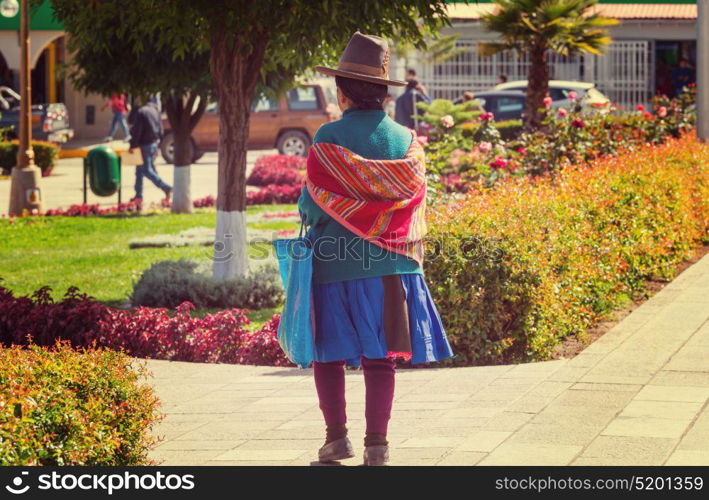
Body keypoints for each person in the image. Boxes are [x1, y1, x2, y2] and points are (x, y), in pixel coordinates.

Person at [302, 32, 454, 466]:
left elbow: (310, 208)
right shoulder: (407, 142)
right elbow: (415, 199)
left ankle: (336, 440)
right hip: (391, 268)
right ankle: (377, 446)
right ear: (385, 94)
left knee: (327, 354)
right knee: (381, 358)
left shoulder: (327, 140)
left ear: (343, 90)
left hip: (333, 265)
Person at [128, 98, 171, 203]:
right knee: (139, 171)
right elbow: (161, 130)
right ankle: (138, 196)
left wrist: (133, 145)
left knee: (146, 170)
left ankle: (165, 187)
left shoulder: (141, 112)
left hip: (144, 145)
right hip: (153, 144)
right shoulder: (155, 111)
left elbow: (137, 130)